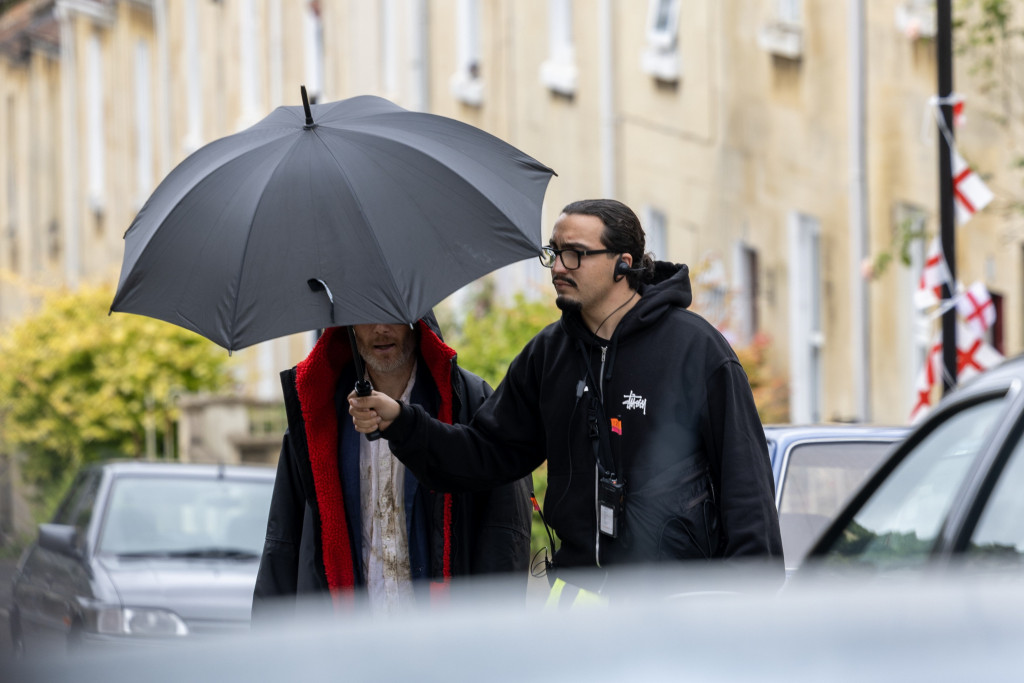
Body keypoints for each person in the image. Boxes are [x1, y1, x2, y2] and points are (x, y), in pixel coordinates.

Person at [350, 199, 784, 592]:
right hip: (580, 605)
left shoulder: (695, 351)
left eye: (575, 253)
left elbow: (746, 489)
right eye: (553, 252)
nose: (558, 266)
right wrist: (401, 422)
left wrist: (748, 603)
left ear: (622, 264)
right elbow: (483, 454)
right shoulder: (550, 354)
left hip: (677, 605)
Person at [252, 317, 533, 618]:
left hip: (445, 634)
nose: (380, 329)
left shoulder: (470, 401)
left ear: (416, 316)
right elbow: (283, 542)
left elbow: (505, 536)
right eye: (364, 317)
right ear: (347, 324)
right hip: (348, 636)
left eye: (391, 316)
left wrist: (489, 633)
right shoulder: (317, 416)